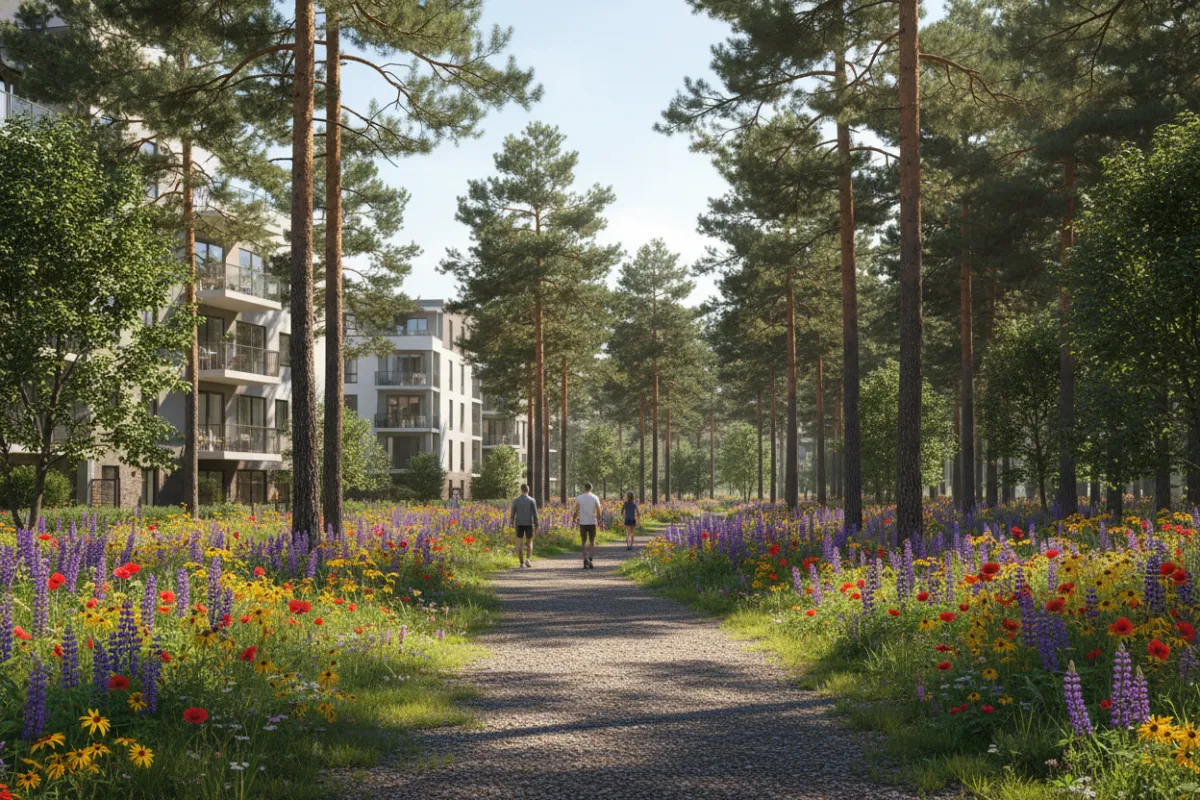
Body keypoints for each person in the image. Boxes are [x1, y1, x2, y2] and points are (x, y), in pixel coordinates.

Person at [573, 482, 602, 569]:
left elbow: (576, 509)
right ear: (591, 488)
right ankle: (590, 558)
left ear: (584, 488)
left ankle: (585, 559)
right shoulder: (595, 497)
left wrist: (574, 517)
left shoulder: (579, 498)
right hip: (592, 522)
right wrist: (599, 518)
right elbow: (598, 509)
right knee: (592, 541)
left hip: (582, 522)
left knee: (583, 541)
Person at [509, 484, 537, 568]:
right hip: (528, 523)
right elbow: (535, 514)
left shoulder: (516, 500)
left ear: (521, 490)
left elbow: (512, 512)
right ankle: (527, 559)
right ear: (528, 490)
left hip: (519, 524)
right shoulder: (532, 500)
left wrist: (511, 521)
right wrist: (536, 525)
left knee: (519, 542)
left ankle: (521, 562)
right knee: (529, 542)